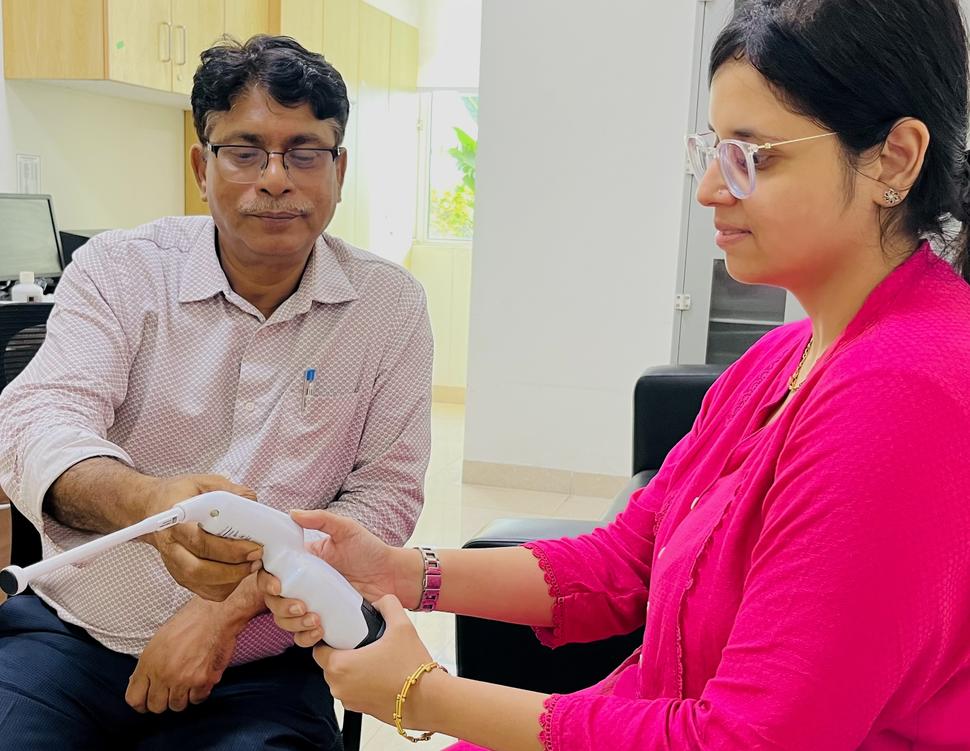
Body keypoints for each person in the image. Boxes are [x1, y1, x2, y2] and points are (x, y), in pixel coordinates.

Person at [257, 1, 970, 748]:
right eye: (715, 151)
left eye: (753, 158)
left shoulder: (903, 393)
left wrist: (423, 695)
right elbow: (627, 560)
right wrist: (398, 571)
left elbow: (746, 739)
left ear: (894, 158)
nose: (710, 192)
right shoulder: (780, 361)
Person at [0, 35, 432, 750]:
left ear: (339, 169)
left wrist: (226, 612)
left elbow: (383, 502)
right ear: (202, 166)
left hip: (262, 667)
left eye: (304, 152)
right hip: (69, 637)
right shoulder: (119, 270)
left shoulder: (388, 309)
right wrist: (154, 503)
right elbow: (39, 420)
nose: (275, 178)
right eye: (245, 150)